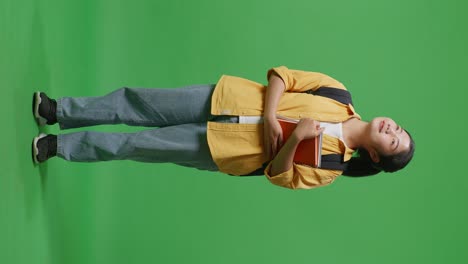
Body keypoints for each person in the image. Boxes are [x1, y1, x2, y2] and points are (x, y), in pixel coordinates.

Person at [31, 66, 415, 190]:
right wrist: (270, 115)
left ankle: (58, 147)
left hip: (222, 149)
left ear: (377, 155)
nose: (390, 127)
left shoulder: (332, 168)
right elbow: (282, 76)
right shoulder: (337, 92)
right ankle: (59, 110)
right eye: (397, 126)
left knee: (134, 144)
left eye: (393, 139)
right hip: (225, 98)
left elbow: (278, 175)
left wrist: (296, 138)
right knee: (136, 101)